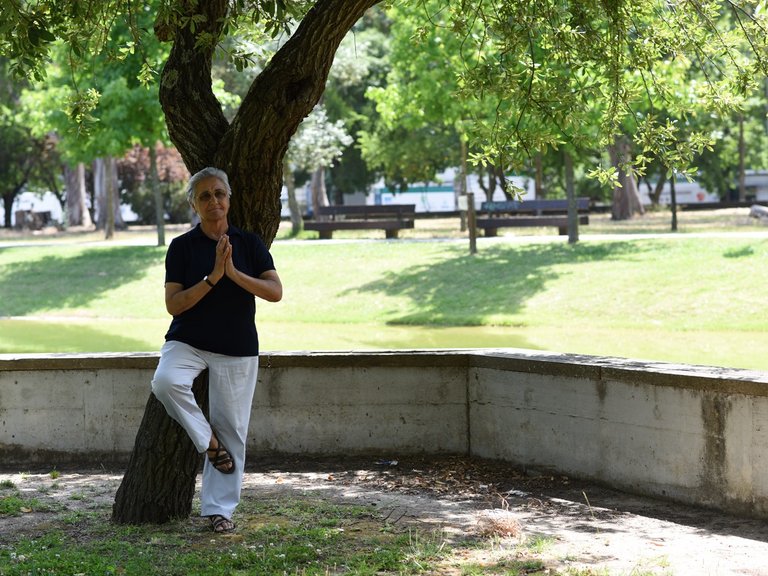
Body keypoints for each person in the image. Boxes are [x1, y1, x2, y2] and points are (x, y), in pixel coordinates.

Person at [151, 166, 282, 533]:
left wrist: (233, 273)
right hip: (187, 341)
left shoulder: (250, 243)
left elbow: (275, 292)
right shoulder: (181, 247)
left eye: (219, 193)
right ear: (194, 203)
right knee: (165, 382)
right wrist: (212, 278)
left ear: (229, 199)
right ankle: (207, 442)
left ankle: (219, 512)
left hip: (236, 347)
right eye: (205, 195)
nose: (214, 201)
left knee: (233, 429)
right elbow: (174, 304)